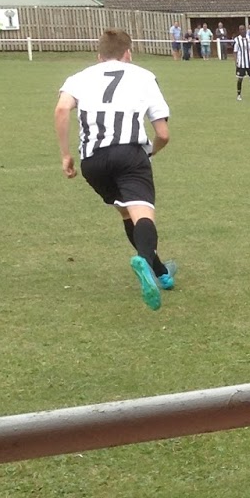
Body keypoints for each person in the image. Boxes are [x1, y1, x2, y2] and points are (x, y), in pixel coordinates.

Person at [53, 29, 175, 311]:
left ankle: (161, 272)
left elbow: (61, 110)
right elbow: (163, 134)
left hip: (93, 161)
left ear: (99, 56)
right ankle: (145, 260)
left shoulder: (79, 77)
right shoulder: (144, 76)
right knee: (142, 214)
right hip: (129, 154)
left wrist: (66, 155)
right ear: (128, 53)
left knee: (126, 212)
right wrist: (149, 152)